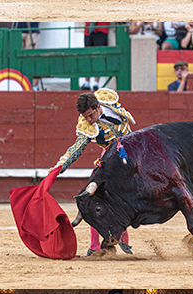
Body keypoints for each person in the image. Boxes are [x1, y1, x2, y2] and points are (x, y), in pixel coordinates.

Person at [53, 89, 135, 256]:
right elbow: (76, 149)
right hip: (109, 160)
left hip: (133, 155)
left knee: (127, 200)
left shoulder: (108, 100)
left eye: (91, 115)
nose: (88, 120)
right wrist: (59, 167)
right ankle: (94, 245)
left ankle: (123, 241)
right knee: (96, 200)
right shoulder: (86, 125)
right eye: (85, 117)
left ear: (98, 107)